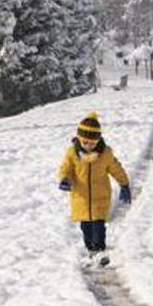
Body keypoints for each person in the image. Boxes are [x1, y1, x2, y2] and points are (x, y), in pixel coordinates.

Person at [57, 112, 132, 267]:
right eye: (84, 142)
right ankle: (92, 251)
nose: (88, 146)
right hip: (80, 198)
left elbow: (116, 168)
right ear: (79, 139)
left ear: (97, 141)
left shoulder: (105, 153)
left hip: (100, 197)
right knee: (86, 228)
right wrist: (64, 179)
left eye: (91, 143)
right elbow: (66, 168)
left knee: (99, 226)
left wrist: (124, 183)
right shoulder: (72, 153)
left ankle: (100, 251)